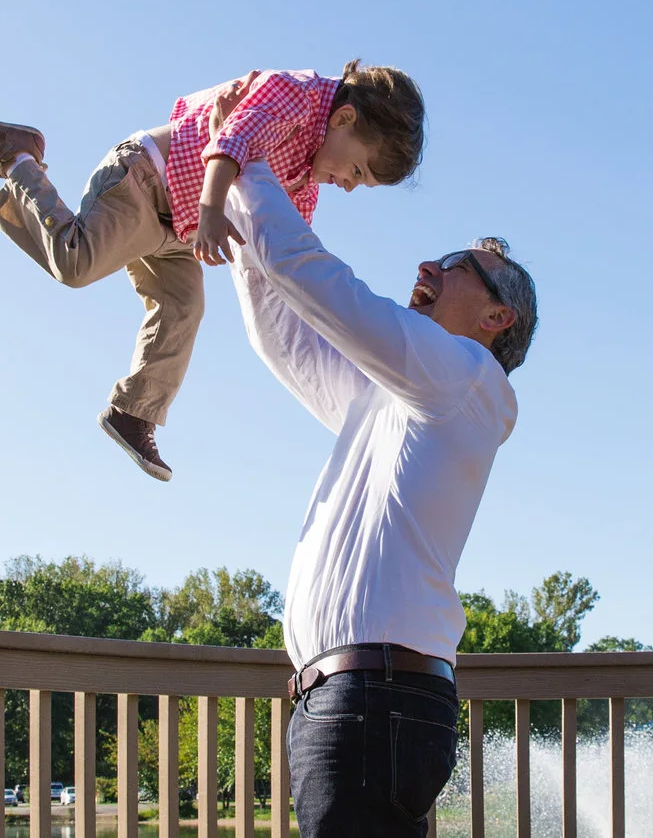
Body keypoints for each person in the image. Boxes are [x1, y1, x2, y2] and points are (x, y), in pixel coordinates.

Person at [221, 152, 538, 838]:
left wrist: (245, 162)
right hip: (357, 701)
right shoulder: (391, 398)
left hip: (374, 701)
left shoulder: (469, 377)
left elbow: (324, 287)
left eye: (456, 266)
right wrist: (241, 234)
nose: (427, 267)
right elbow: (288, 336)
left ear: (496, 314)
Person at [0, 62, 425, 481]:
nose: (349, 186)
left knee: (183, 308)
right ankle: (16, 157)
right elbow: (231, 137)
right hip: (144, 179)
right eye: (358, 171)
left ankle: (133, 412)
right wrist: (212, 211)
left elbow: (281, 246)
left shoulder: (305, 180)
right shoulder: (297, 94)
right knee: (76, 262)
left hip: (175, 233)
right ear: (344, 119)